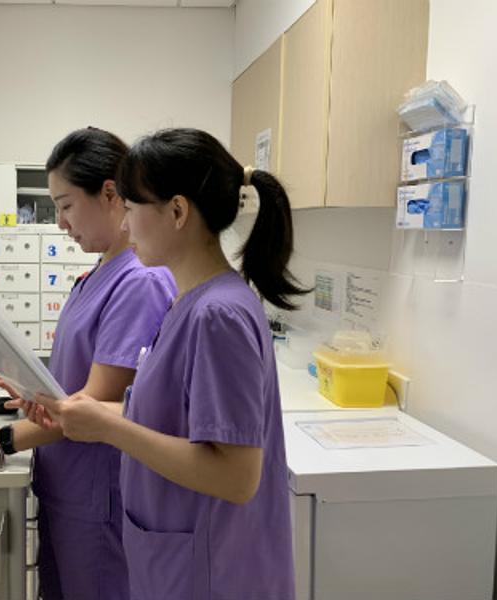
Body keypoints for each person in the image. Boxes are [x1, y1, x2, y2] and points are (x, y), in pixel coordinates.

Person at [32, 128, 307, 600]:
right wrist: (89, 413)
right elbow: (169, 415)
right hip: (179, 556)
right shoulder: (189, 302)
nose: (125, 225)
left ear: (177, 212)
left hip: (211, 569)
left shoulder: (218, 315)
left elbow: (236, 476)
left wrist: (110, 428)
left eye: (132, 209)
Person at [0, 127, 176, 600]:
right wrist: (31, 390)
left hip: (97, 495)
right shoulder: (99, 273)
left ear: (111, 193)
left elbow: (95, 409)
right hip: (67, 486)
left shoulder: (139, 282)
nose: (61, 222)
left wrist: (1, 440)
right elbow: (77, 382)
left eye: (66, 206)